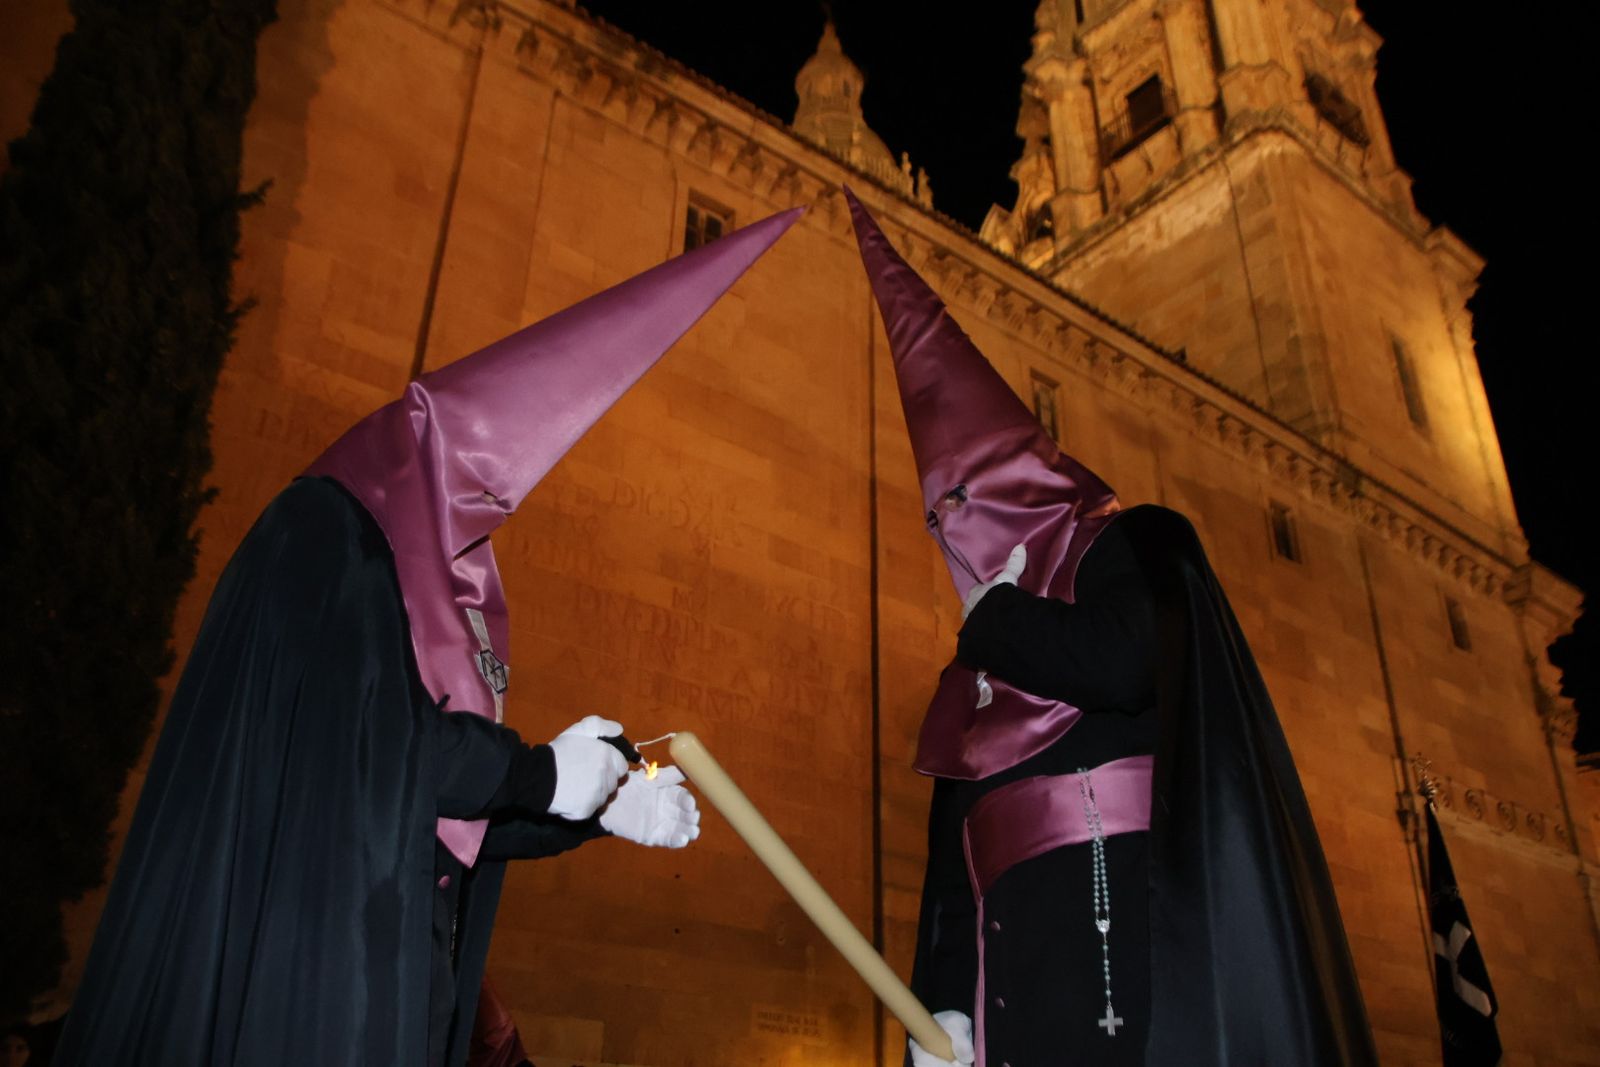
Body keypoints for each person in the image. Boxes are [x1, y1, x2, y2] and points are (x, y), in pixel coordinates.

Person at [52, 207, 801, 1067]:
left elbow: (441, 806)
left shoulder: (441, 575)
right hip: (310, 980)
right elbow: (367, 747)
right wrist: (542, 772)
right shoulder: (325, 534)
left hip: (404, 991)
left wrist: (595, 804)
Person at [842, 188, 1377, 1067]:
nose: (955, 535)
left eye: (966, 503)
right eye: (940, 518)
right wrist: (938, 1010)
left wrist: (1001, 617)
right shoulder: (975, 663)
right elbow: (952, 867)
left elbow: (1127, 660)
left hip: (1136, 953)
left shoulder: (1138, 541)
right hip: (1011, 991)